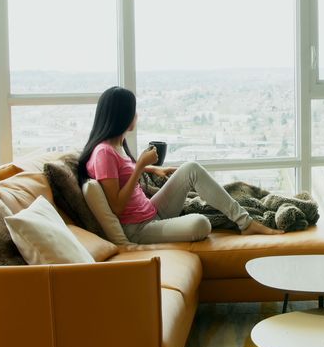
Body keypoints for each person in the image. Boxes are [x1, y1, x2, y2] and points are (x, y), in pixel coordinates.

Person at [78, 87, 282, 244]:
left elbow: (119, 175)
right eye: (134, 111)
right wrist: (140, 166)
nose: (136, 116)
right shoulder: (103, 153)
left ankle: (245, 222)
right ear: (121, 116)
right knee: (201, 223)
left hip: (151, 211)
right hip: (138, 229)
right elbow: (116, 206)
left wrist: (152, 168)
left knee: (190, 168)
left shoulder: (117, 145)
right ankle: (245, 223)